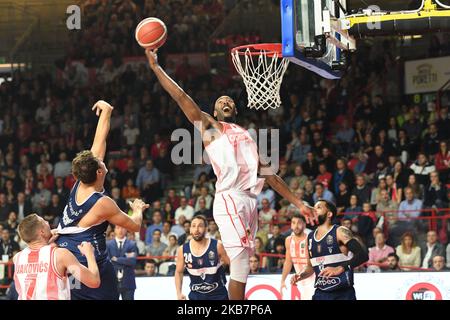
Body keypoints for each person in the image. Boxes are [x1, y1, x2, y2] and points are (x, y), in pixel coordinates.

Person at [145, 48, 314, 300]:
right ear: (213, 112)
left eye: (230, 101)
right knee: (238, 263)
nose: (226, 102)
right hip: (230, 199)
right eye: (220, 101)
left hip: (249, 201)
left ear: (236, 109)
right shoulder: (212, 128)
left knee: (243, 266)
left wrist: (298, 203)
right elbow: (181, 97)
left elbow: (271, 176)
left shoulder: (248, 137)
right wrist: (157, 67)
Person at [54, 100, 149, 300]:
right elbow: (134, 226)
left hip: (68, 256)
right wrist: (138, 208)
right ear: (99, 171)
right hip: (89, 262)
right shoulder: (102, 203)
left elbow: (99, 142)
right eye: (101, 163)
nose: (103, 160)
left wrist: (106, 111)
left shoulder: (80, 183)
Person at [292, 200, 369, 300]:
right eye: (314, 207)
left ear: (329, 214)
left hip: (342, 294)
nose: (314, 210)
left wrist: (340, 268)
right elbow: (310, 268)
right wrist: (300, 275)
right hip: (320, 293)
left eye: (319, 207)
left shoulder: (339, 231)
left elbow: (363, 255)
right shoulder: (309, 237)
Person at [13, 214, 100, 300]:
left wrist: (46, 240)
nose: (47, 222)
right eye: (44, 221)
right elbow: (94, 281)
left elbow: (37, 255)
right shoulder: (60, 255)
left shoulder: (17, 258)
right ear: (42, 232)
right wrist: (90, 254)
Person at [175, 215, 230, 300]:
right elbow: (178, 272)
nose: (196, 229)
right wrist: (179, 293)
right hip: (196, 296)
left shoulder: (217, 245)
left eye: (200, 226)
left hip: (219, 296)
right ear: (190, 230)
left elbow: (231, 265)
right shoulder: (182, 249)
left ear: (206, 229)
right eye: (193, 226)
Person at [280, 214, 315, 300]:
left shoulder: (310, 239)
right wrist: (283, 280)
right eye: (293, 223)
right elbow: (288, 262)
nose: (296, 226)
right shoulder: (288, 240)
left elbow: (313, 264)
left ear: (304, 225)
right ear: (291, 225)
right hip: (300, 280)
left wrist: (300, 276)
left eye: (299, 223)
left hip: (313, 279)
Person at [106, 225, 138, 300]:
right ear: (114, 230)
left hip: (128, 281)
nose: (120, 230)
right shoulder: (108, 244)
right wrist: (125, 259)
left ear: (126, 230)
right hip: (112, 281)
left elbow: (132, 261)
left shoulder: (132, 244)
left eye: (123, 228)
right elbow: (108, 261)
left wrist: (117, 259)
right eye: (118, 228)